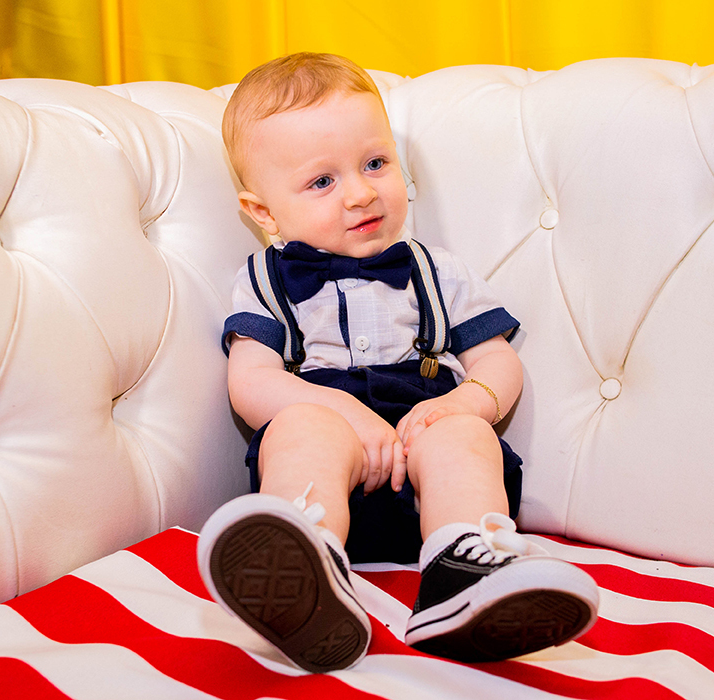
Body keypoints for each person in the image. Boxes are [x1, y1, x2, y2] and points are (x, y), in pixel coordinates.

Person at [196, 52, 599, 673]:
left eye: (375, 164)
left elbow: (497, 361)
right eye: (322, 182)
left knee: (463, 435)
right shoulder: (264, 281)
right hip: (331, 476)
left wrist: (464, 402)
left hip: (429, 474)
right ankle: (308, 562)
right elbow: (250, 382)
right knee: (302, 427)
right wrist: (340, 410)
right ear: (265, 213)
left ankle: (464, 568)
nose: (361, 193)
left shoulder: (439, 271)